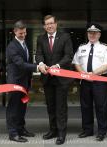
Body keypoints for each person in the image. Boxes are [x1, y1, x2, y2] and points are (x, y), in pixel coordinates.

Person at [36, 15, 73, 145]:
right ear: (44, 26)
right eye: (47, 24)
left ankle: (62, 133)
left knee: (61, 107)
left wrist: (57, 66)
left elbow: (68, 56)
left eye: (51, 23)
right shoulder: (40, 38)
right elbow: (39, 53)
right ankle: (53, 130)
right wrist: (40, 63)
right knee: (51, 106)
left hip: (61, 78)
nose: (49, 26)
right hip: (47, 78)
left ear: (56, 24)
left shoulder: (65, 37)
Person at [72, 23, 107, 141]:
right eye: (90, 32)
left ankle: (102, 131)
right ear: (87, 34)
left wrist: (93, 74)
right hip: (85, 81)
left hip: (99, 80)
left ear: (99, 34)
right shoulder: (81, 47)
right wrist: (83, 74)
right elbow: (76, 63)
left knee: (101, 106)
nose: (92, 35)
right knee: (86, 106)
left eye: (95, 33)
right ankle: (87, 130)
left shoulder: (104, 48)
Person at [6, 20, 45, 143]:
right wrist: (37, 67)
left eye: (24, 32)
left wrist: (31, 77)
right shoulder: (12, 46)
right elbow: (20, 64)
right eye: (20, 33)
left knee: (22, 107)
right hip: (15, 82)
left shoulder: (24, 43)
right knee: (13, 108)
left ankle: (21, 129)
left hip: (24, 81)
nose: (23, 35)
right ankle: (13, 133)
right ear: (15, 32)